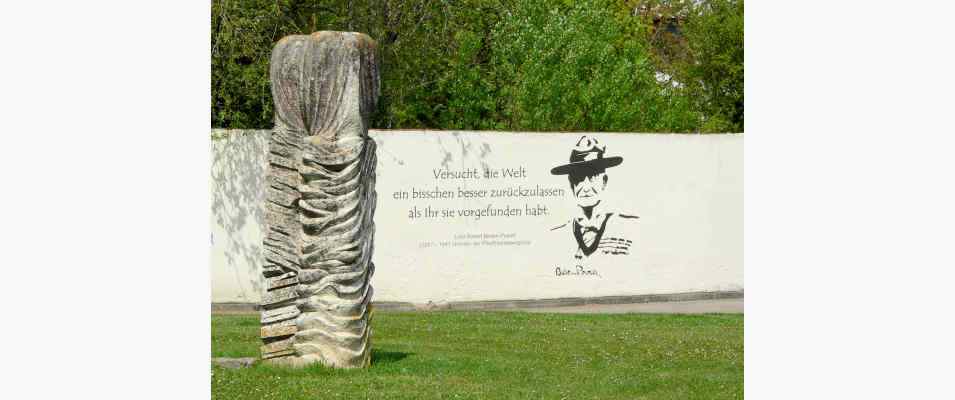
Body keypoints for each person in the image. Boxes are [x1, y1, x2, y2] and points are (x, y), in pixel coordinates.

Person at [550, 136, 638, 261]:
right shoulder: (557, 236)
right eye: (579, 177)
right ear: (571, 184)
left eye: (593, 175)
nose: (586, 187)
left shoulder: (629, 227)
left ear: (604, 181)